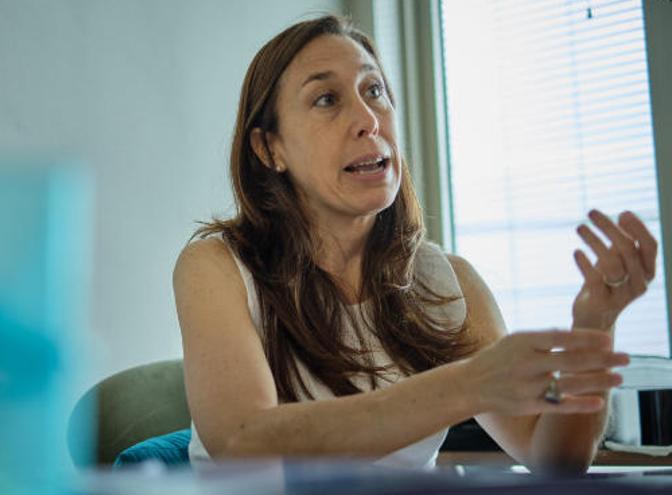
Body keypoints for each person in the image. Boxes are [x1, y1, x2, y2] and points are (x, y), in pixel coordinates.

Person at [172, 15, 657, 474]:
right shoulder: (216, 266)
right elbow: (241, 441)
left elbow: (552, 460)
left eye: (375, 91)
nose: (368, 120)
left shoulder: (448, 283)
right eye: (326, 99)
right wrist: (467, 384)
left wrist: (594, 325)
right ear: (269, 148)